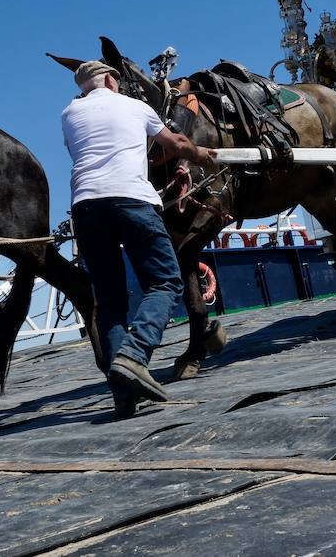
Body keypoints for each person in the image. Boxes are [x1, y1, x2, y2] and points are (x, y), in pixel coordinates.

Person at [61, 59, 220, 418]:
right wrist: (201, 155)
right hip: (132, 200)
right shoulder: (135, 106)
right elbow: (176, 141)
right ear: (110, 80)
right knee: (165, 282)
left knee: (111, 301)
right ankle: (135, 355)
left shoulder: (69, 113)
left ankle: (124, 393)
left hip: (85, 208)